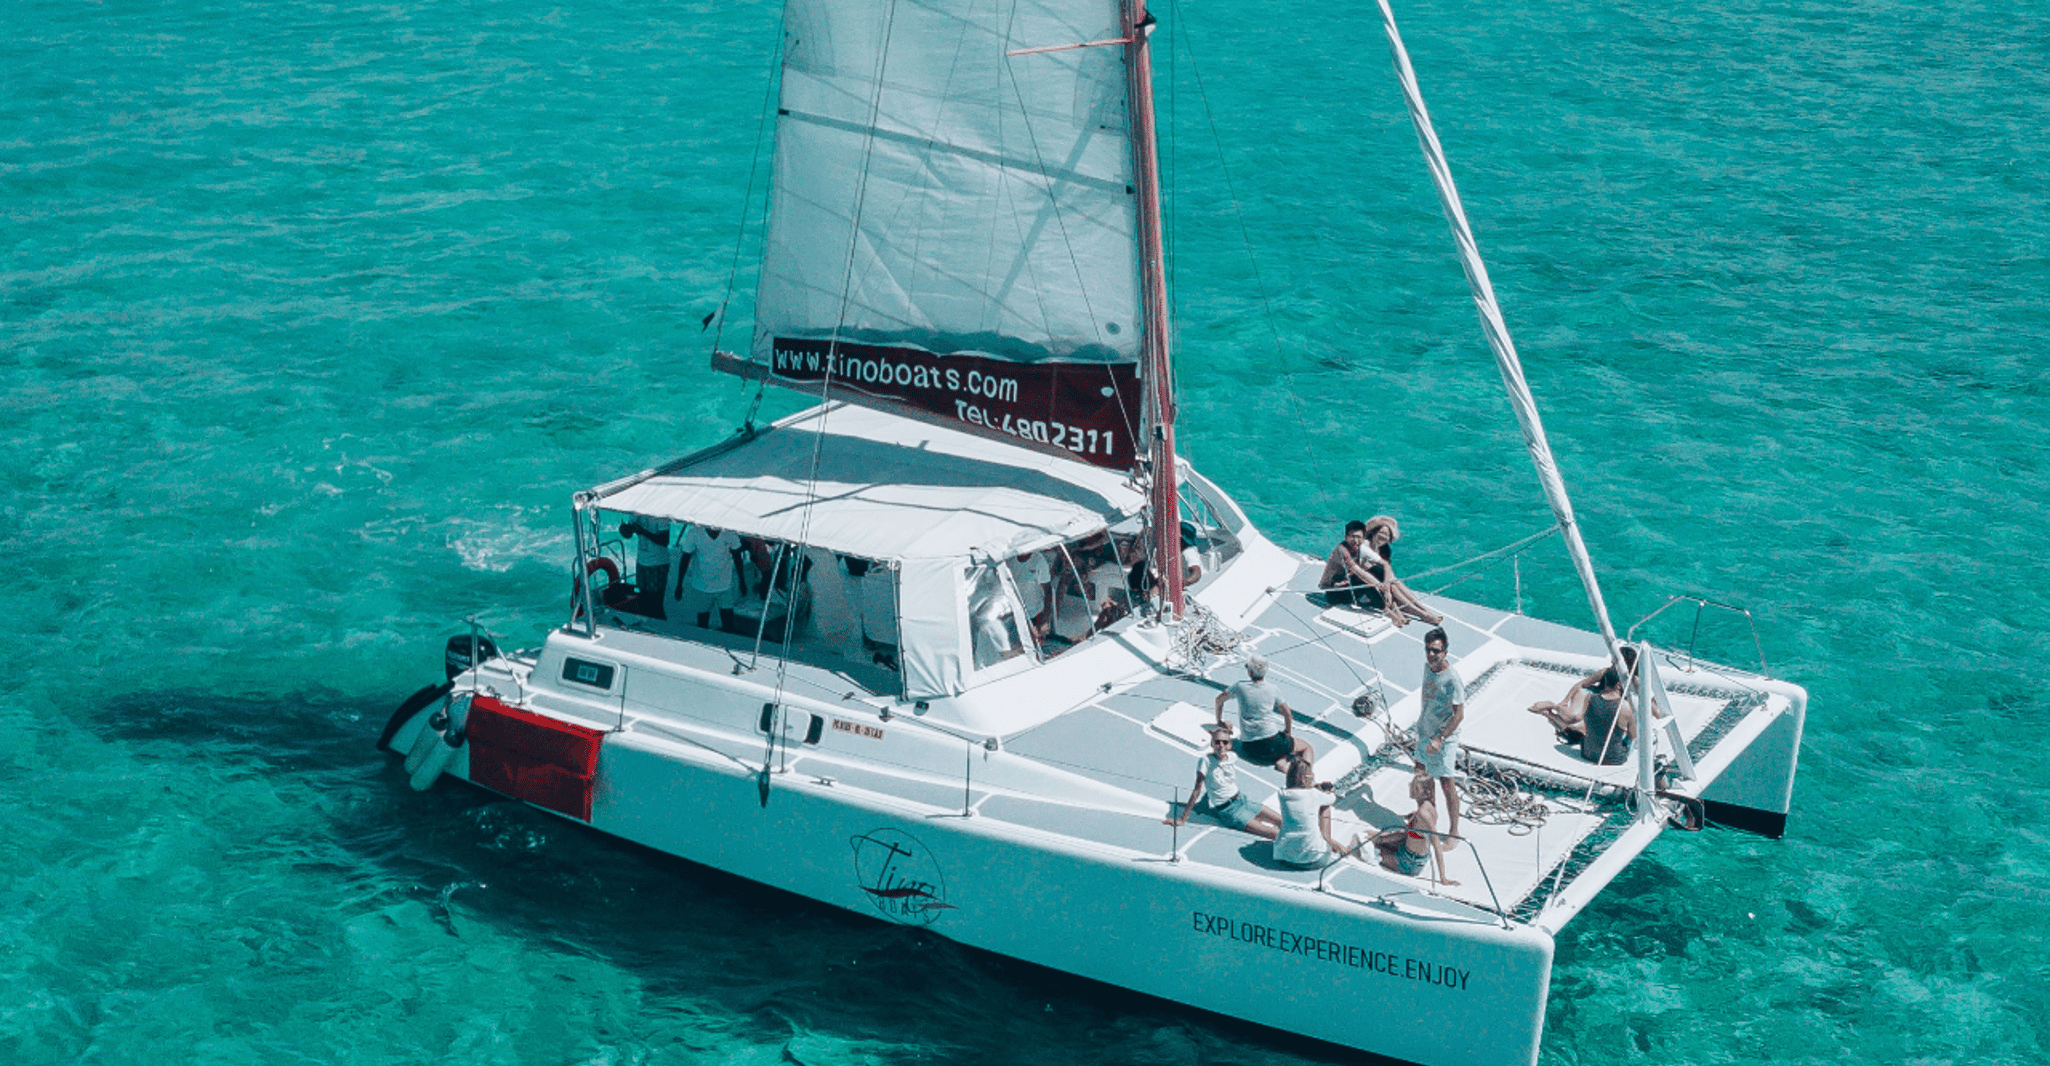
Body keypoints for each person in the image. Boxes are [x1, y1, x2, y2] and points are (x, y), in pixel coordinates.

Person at [1526, 647, 1641, 765]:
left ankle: (1549, 713)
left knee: (1577, 726)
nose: (1613, 662)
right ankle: (1553, 707)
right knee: (1573, 718)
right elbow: (1582, 684)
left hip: (1601, 704)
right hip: (1591, 696)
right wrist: (1565, 700)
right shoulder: (1606, 673)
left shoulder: (1633, 680)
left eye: (1616, 660)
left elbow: (1646, 701)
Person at [1165, 725, 1281, 840]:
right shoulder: (1206, 761)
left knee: (1283, 821)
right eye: (1217, 742)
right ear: (1212, 743)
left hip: (1243, 800)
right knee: (1276, 833)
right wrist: (1183, 819)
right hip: (1230, 812)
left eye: (1225, 742)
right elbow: (1197, 790)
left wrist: (1204, 802)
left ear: (1229, 745)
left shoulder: (1232, 757)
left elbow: (1217, 782)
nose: (1221, 745)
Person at [1213, 654, 1312, 770]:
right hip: (1273, 745)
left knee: (1230, 743)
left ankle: (1283, 762)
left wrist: (1219, 720)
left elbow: (1219, 700)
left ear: (1250, 672)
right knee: (1306, 748)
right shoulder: (1273, 689)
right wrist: (1287, 731)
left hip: (1250, 751)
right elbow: (1288, 713)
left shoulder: (1240, 686)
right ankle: (1300, 774)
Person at [1372, 764, 1457, 884]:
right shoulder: (1428, 806)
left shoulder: (1423, 814)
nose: (1411, 787)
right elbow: (1420, 830)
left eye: (1414, 786)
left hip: (1409, 863)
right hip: (1407, 851)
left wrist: (1443, 878)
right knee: (1372, 836)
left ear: (1421, 790)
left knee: (1367, 849)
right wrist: (1413, 818)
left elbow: (1437, 845)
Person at [1416, 627, 1464, 840]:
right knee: (1420, 776)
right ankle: (1428, 819)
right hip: (1424, 731)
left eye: (1436, 651)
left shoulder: (1453, 679)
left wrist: (1440, 738)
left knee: (1447, 783)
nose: (1431, 655)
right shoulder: (1428, 667)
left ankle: (1453, 832)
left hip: (1444, 737)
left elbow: (1459, 715)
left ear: (1445, 651)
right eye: (1428, 650)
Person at [1360, 515, 1444, 626]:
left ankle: (1424, 610)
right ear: (1374, 532)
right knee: (1393, 587)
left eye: (1387, 535)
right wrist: (1386, 587)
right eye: (1382, 532)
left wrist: (1387, 585)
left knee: (1395, 583)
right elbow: (1363, 573)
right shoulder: (1364, 546)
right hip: (1365, 588)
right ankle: (1423, 615)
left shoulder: (1384, 550)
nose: (1384, 537)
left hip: (1381, 585)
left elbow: (1388, 573)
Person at [1272, 756, 1345, 868]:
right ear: (1305, 779)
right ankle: (1328, 840)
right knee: (1325, 806)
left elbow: (1301, 792)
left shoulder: (1282, 793)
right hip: (1313, 860)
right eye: (1311, 775)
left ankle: (1326, 841)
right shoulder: (1314, 795)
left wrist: (1313, 786)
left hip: (1285, 857)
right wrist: (1327, 791)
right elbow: (1332, 798)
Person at [675, 524, 746, 631]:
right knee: (702, 624)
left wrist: (742, 581)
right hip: (702, 586)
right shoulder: (694, 533)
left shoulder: (729, 533)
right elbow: (685, 558)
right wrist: (679, 584)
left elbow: (738, 557)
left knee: (728, 623)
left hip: (725, 586)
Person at [1319, 519, 1393, 619]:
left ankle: (1389, 606)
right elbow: (1359, 572)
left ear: (1364, 538)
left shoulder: (1360, 547)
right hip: (1333, 592)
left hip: (1347, 584)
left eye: (1359, 537)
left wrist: (1386, 588)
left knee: (1378, 570)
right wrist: (1381, 587)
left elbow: (1385, 565)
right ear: (1346, 537)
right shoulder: (1342, 550)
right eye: (1352, 537)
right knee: (1367, 581)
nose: (1355, 540)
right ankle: (1386, 610)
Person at [618, 516, 671, 619]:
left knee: (656, 603)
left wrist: (642, 531)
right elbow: (628, 534)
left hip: (658, 563)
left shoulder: (661, 514)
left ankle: (660, 631)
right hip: (642, 561)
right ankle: (648, 629)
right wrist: (625, 529)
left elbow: (665, 540)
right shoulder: (637, 509)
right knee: (643, 599)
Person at [1006, 549, 1053, 642]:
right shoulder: (1010, 561)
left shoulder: (1039, 560)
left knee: (1036, 643)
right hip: (1016, 614)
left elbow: (1048, 590)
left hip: (1037, 613)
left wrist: (1046, 617)